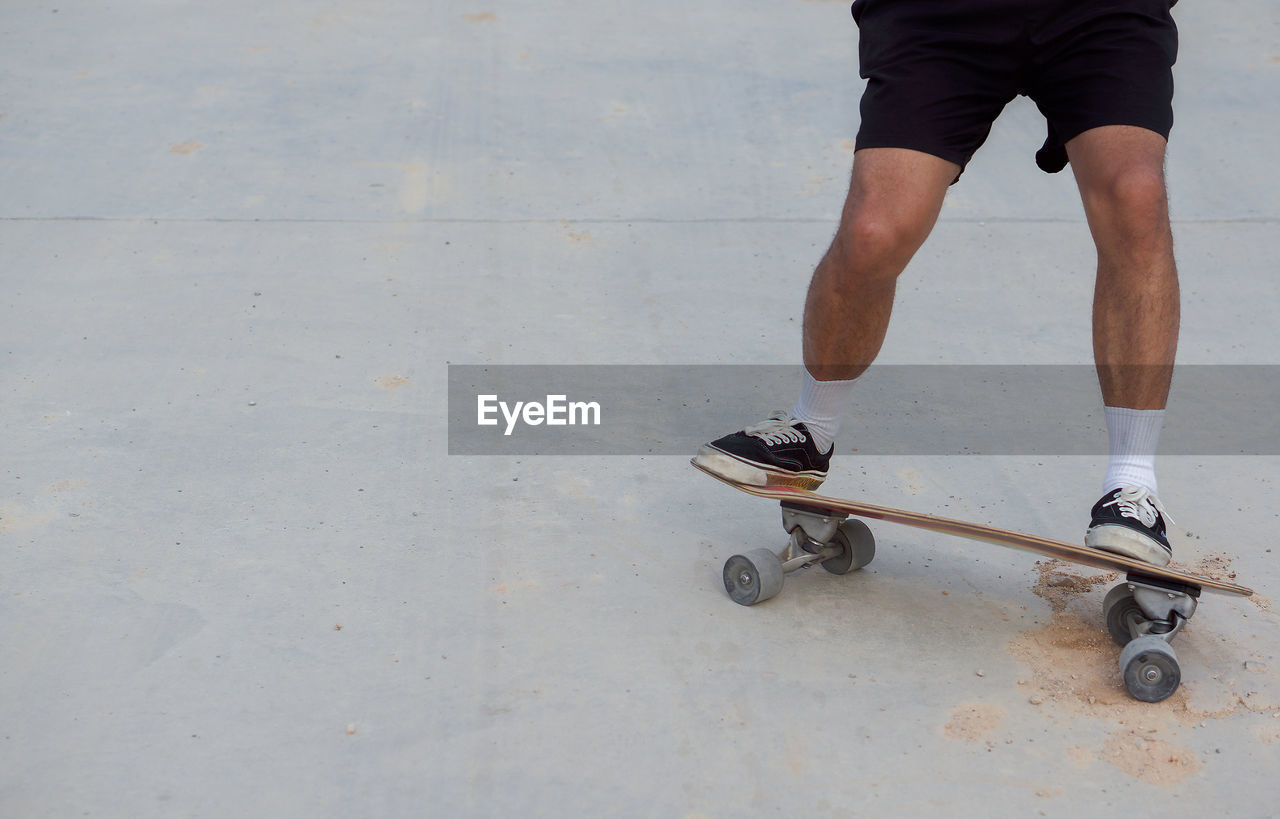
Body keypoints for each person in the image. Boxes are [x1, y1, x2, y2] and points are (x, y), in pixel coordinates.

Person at [693, 0, 1181, 567]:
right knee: (874, 231)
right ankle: (811, 428)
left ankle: (1133, 483)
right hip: (943, 15)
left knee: (1135, 197)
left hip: (1101, 14)